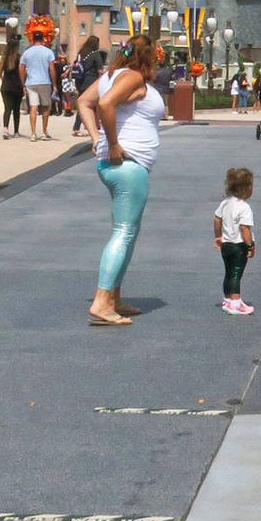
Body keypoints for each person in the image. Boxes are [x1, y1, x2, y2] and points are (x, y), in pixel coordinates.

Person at [78, 36, 165, 326]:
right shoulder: (133, 77)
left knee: (128, 231)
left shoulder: (112, 76)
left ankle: (114, 297)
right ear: (147, 57)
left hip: (117, 164)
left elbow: (84, 102)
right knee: (124, 232)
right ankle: (102, 301)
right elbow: (104, 104)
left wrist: (96, 139)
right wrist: (111, 142)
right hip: (127, 164)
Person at [212, 166, 257, 316]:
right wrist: (250, 245)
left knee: (228, 272)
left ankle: (227, 299)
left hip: (226, 244)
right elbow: (245, 229)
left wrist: (218, 236)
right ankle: (236, 303)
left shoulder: (225, 203)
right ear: (246, 189)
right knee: (236, 274)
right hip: (238, 246)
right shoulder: (244, 207)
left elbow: (217, 219)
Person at [21, 31, 56, 141]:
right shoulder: (48, 52)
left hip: (31, 82)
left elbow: (21, 68)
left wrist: (23, 83)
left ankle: (33, 133)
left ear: (32, 39)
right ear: (43, 39)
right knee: (46, 107)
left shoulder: (27, 52)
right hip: (44, 81)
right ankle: (44, 132)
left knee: (33, 107)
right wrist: (54, 84)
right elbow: (52, 69)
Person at [0, 35, 25, 138]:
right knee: (16, 110)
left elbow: (0, 73)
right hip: (17, 86)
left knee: (7, 108)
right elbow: (22, 72)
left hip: (6, 87)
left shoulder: (4, 58)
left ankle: (5, 129)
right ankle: (16, 131)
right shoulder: (19, 57)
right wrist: (23, 84)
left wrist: (5, 80)